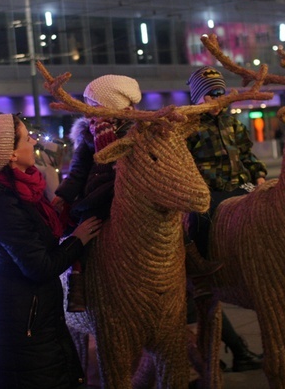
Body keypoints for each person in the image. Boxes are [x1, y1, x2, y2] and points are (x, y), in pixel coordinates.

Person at [53, 74, 221, 312]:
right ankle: (79, 281)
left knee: (170, 222)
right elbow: (79, 170)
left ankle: (192, 266)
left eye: (94, 102)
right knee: (86, 229)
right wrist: (65, 194)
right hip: (99, 192)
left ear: (111, 102)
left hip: (134, 188)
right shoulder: (89, 131)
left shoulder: (138, 128)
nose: (89, 108)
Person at [0, 113, 102, 389]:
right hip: (21, 322)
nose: (34, 140)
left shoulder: (18, 191)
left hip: (33, 313)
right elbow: (39, 266)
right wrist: (78, 239)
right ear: (11, 155)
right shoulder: (1, 206)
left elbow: (37, 235)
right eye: (27, 138)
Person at [186, 65, 266, 372]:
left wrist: (258, 177)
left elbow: (248, 156)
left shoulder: (233, 123)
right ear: (197, 98)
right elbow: (186, 163)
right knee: (204, 217)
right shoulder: (191, 127)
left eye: (221, 92)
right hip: (210, 189)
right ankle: (203, 258)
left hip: (240, 183)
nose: (218, 98)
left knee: (264, 206)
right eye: (211, 93)